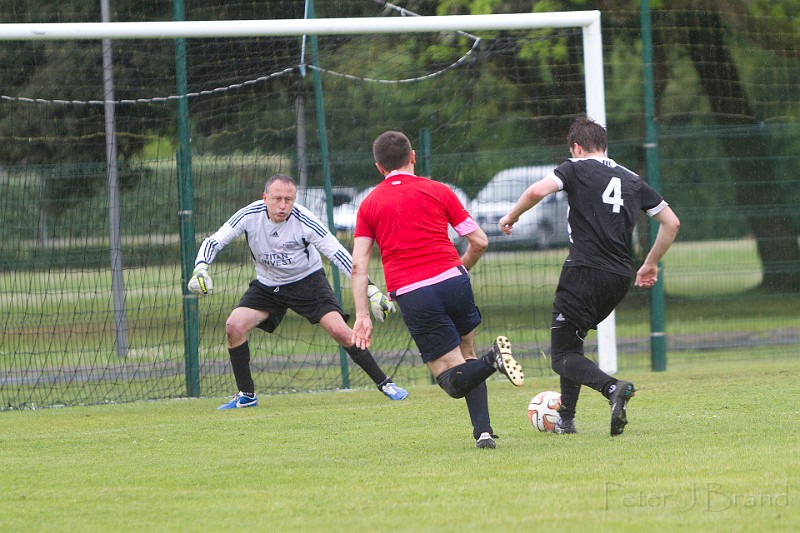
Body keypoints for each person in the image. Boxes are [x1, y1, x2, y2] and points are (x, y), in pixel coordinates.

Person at [499, 116, 680, 436]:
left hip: (584, 271)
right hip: (620, 277)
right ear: (604, 146)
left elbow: (537, 190)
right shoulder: (631, 178)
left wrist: (511, 216)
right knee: (572, 343)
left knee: (561, 356)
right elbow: (671, 223)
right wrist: (650, 263)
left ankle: (613, 389)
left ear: (577, 148)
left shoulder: (574, 167)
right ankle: (566, 419)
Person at [350, 130, 524, 449]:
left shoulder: (370, 203)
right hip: (454, 280)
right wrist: (459, 269)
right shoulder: (439, 190)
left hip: (415, 293)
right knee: (466, 355)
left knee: (450, 380)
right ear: (413, 156)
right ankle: (483, 432)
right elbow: (480, 241)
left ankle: (493, 361)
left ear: (379, 167)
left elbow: (359, 265)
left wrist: (362, 314)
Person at [187, 174, 408, 410]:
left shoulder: (304, 219)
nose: (283, 206)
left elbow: (338, 253)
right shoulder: (249, 215)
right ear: (265, 198)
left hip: (308, 282)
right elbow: (214, 241)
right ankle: (246, 395)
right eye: (277, 199)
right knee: (233, 326)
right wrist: (200, 268)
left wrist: (372, 291)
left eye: (289, 199)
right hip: (268, 286)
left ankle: (386, 384)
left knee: (341, 331)